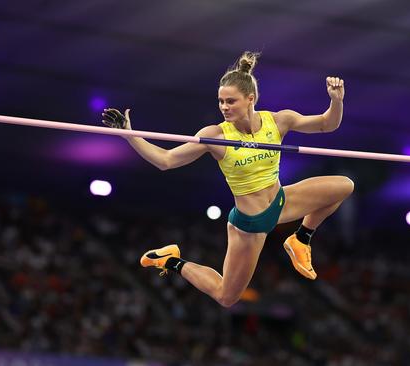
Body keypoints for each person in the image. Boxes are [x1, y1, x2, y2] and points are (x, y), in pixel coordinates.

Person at [102, 51, 353, 307]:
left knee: (344, 186)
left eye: (230, 101)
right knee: (226, 296)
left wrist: (336, 102)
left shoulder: (278, 121)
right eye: (221, 101)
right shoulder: (216, 137)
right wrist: (129, 136)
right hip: (250, 225)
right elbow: (166, 161)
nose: (224, 107)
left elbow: (326, 124)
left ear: (250, 99)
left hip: (280, 202)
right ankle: (170, 260)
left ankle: (301, 239)